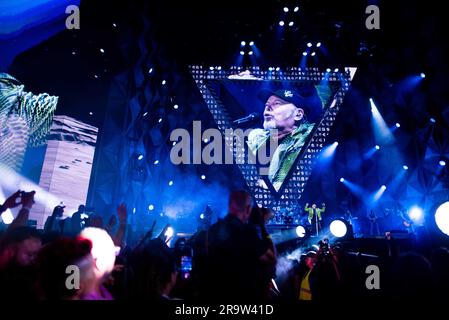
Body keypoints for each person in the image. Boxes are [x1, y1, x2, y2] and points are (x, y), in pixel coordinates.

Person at [247, 86, 323, 191]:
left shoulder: (309, 137)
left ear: (298, 114)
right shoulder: (257, 138)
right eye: (267, 105)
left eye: (277, 103)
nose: (267, 108)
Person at [206, 191, 276, 301]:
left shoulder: (213, 230)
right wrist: (261, 225)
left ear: (229, 205)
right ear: (248, 209)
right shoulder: (247, 233)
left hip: (216, 293)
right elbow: (271, 259)